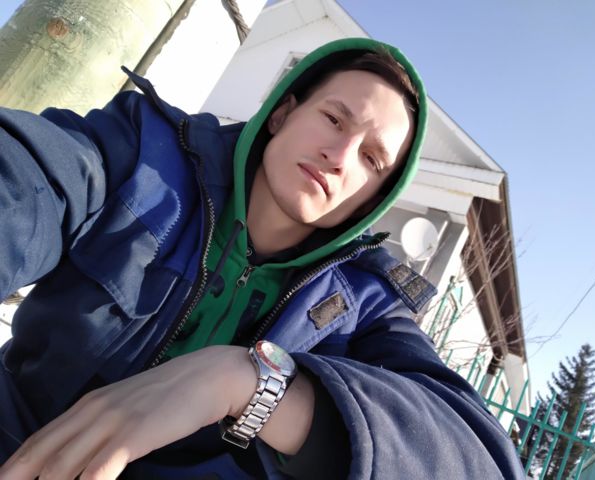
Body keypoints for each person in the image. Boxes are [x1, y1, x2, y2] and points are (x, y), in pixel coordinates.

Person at [0, 37, 524, 479]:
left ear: (373, 199)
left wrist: (250, 383)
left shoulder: (365, 305)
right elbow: (24, 185)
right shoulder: (142, 153)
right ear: (282, 113)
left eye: (371, 159)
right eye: (334, 119)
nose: (339, 158)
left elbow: (476, 462)